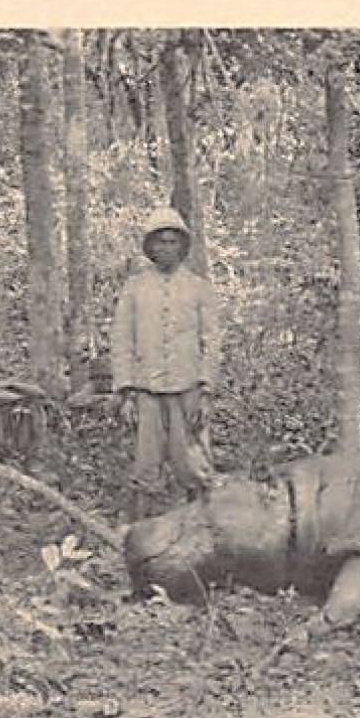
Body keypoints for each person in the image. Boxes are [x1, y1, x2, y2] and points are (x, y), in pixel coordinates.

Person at [109, 206, 221, 521]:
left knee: (194, 465)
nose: (166, 248)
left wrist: (206, 389)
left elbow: (211, 341)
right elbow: (122, 340)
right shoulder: (135, 288)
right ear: (151, 248)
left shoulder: (199, 287)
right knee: (146, 467)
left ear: (183, 247)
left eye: (173, 242)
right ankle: (142, 533)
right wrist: (126, 392)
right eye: (160, 242)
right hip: (147, 391)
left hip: (188, 390)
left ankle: (204, 531)